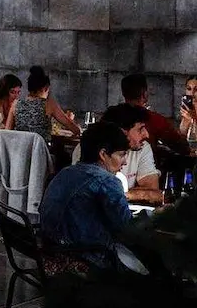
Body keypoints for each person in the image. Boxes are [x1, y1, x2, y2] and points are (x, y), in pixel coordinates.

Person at [40, 122, 132, 269]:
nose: (125, 162)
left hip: (48, 257)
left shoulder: (65, 172)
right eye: (121, 155)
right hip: (80, 262)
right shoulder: (106, 180)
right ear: (103, 154)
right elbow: (127, 228)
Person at [121, 73, 191, 157]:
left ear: (123, 94)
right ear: (145, 95)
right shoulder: (155, 120)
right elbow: (181, 147)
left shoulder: (110, 116)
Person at [93, 103, 159, 191]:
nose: (146, 135)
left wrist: (121, 196)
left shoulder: (142, 147)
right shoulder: (90, 148)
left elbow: (153, 191)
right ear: (122, 132)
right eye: (140, 129)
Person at [12, 65, 81, 147]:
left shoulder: (15, 104)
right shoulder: (48, 104)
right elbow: (75, 130)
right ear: (45, 88)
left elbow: (7, 133)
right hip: (40, 154)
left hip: (19, 153)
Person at [180, 74, 197, 142]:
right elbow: (183, 134)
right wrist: (186, 121)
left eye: (196, 89)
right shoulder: (188, 108)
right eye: (189, 89)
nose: (192, 93)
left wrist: (194, 119)